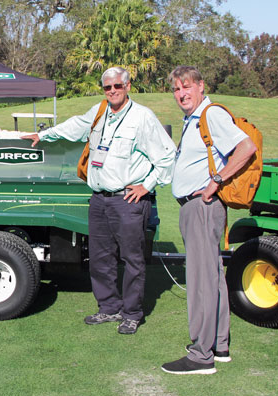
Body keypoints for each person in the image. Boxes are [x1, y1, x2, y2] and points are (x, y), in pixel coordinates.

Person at [23, 67, 175, 334]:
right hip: (99, 199)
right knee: (100, 258)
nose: (112, 91)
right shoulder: (99, 111)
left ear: (127, 86)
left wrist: (146, 185)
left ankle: (131, 313)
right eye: (107, 87)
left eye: (117, 86)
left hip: (127, 201)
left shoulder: (142, 117)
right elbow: (74, 126)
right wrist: (43, 135)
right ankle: (109, 307)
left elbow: (167, 157)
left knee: (132, 260)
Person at [161, 66, 257, 375]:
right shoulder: (195, 119)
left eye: (186, 87)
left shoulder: (210, 114)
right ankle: (219, 345)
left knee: (201, 280)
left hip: (202, 205)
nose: (181, 94)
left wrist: (216, 180)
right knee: (212, 276)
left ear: (201, 86)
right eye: (176, 89)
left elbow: (246, 148)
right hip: (199, 207)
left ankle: (201, 355)